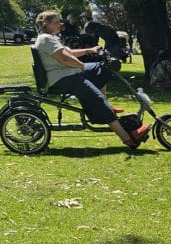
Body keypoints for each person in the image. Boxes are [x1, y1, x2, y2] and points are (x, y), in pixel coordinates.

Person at [34, 10, 149, 148]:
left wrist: (90, 50)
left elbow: (68, 52)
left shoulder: (49, 37)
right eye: (57, 22)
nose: (60, 24)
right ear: (46, 24)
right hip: (62, 79)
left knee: (101, 69)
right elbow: (64, 58)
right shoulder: (46, 39)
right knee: (96, 98)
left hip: (67, 74)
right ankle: (128, 138)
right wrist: (81, 66)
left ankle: (104, 105)